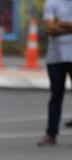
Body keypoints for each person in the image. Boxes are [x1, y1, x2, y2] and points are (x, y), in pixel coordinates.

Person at [38, 0, 72, 146]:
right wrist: (68, 26)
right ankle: (51, 134)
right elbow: (48, 28)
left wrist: (59, 23)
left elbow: (53, 27)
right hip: (55, 57)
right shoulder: (52, 2)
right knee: (56, 96)